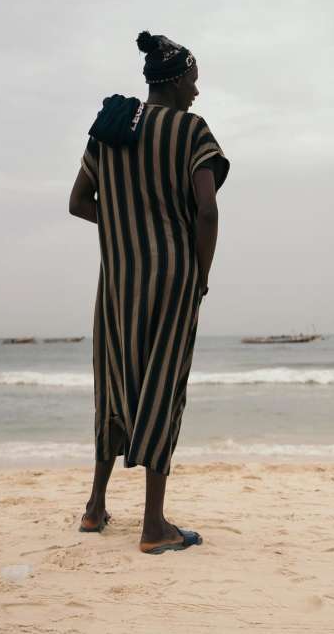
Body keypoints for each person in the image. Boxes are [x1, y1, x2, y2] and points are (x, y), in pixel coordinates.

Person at [68, 31, 230, 554]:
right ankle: (153, 526)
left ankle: (95, 508)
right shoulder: (190, 131)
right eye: (193, 82)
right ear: (177, 81)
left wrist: (125, 224)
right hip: (173, 279)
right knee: (163, 386)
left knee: (114, 384)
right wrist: (200, 274)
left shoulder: (111, 127)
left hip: (118, 282)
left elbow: (78, 201)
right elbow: (207, 210)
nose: (197, 92)